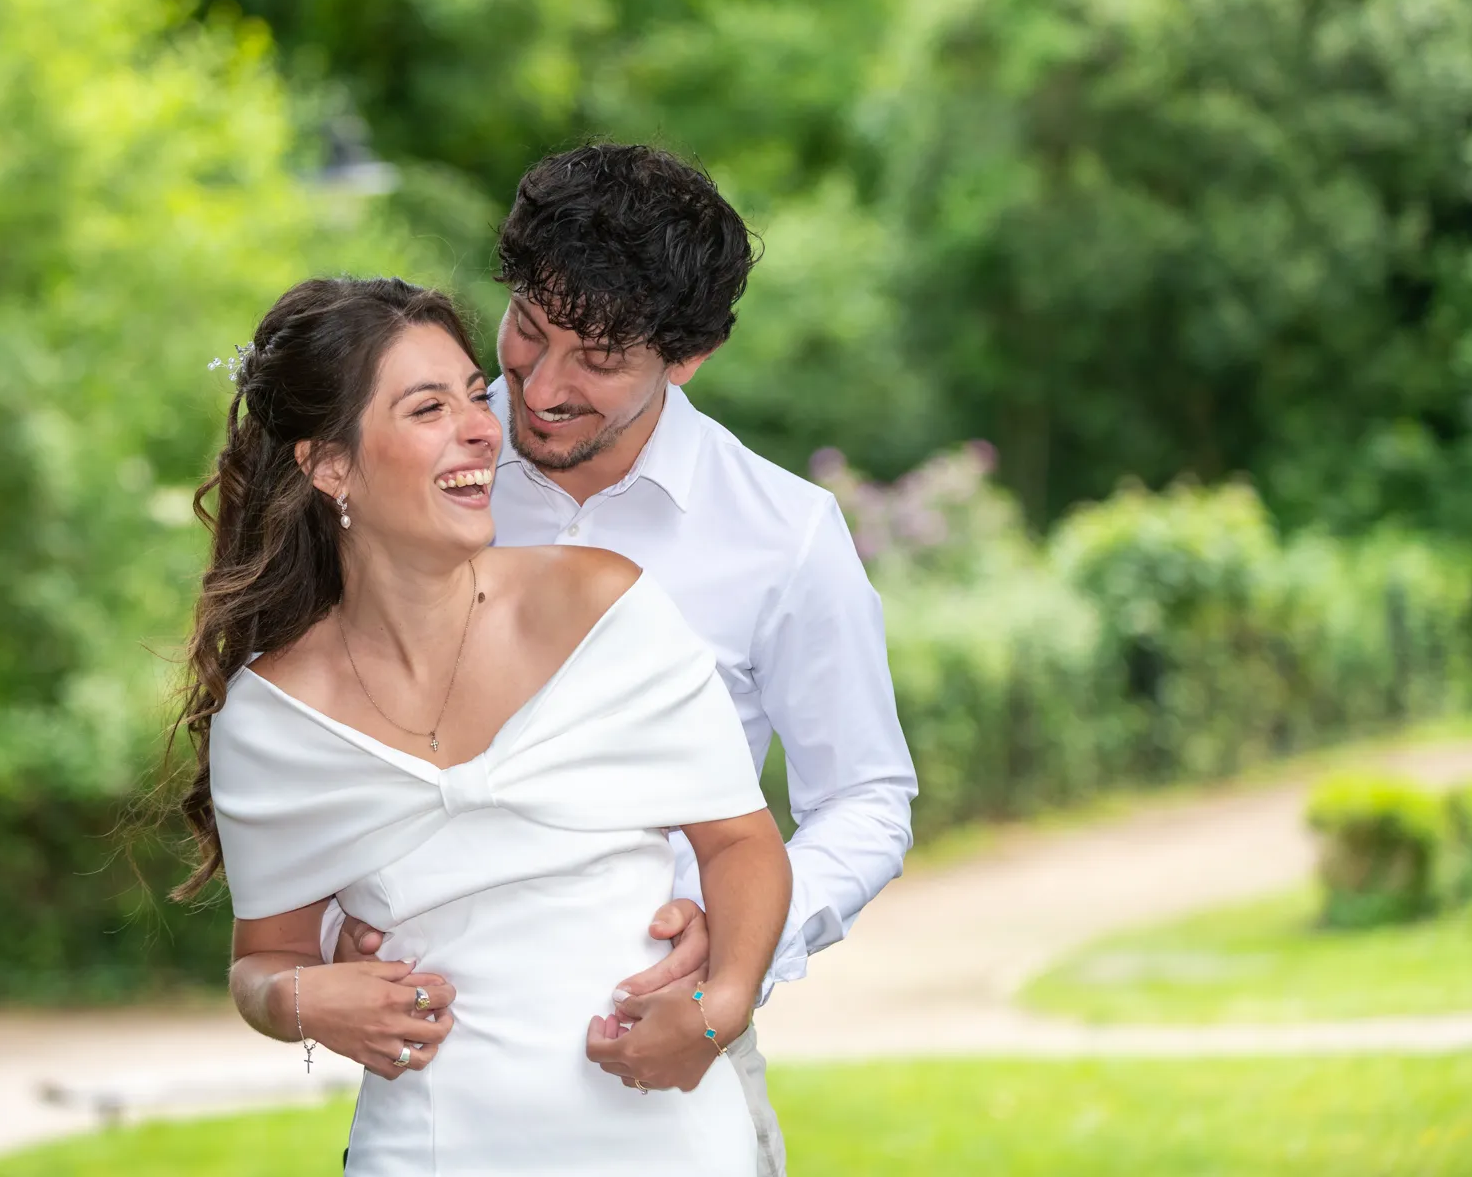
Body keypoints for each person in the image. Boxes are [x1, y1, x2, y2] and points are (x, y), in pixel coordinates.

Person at [326, 144, 919, 1177]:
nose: (540, 388)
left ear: (684, 357)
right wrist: (336, 928)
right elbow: (322, 726)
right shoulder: (406, 484)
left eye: (596, 360)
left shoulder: (782, 533)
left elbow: (867, 796)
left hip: (672, 1058)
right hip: (440, 1080)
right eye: (528, 330)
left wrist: (733, 962)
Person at [172, 275, 793, 1175]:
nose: (480, 426)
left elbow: (741, 841)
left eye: (473, 393)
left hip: (672, 1137)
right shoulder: (274, 717)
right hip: (428, 1148)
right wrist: (304, 1002)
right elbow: (263, 962)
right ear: (329, 465)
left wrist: (720, 1006)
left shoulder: (602, 603)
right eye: (428, 407)